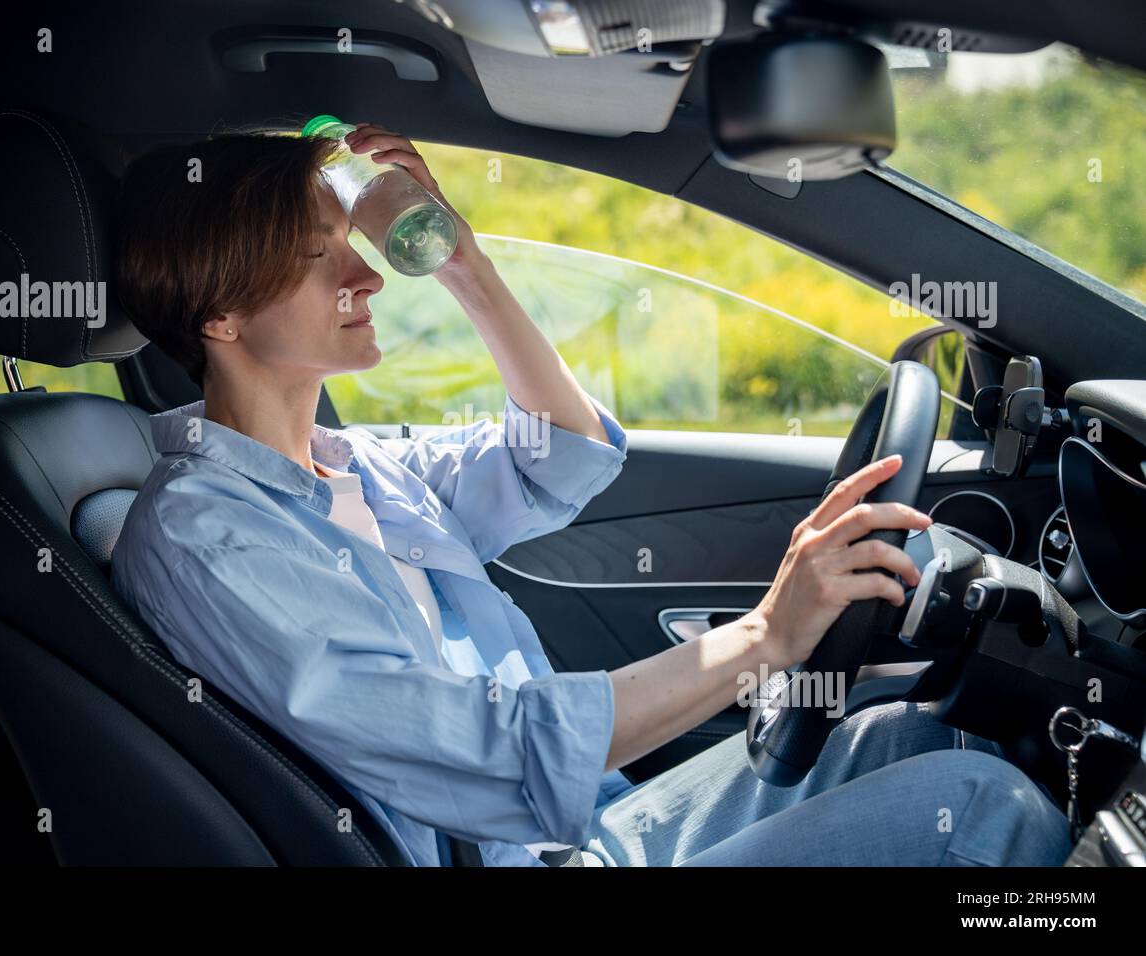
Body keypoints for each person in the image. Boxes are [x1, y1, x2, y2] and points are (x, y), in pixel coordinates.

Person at [109, 123, 1071, 867]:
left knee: (921, 733)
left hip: (584, 834)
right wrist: (765, 637)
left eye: (347, 237)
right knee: (987, 819)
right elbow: (487, 752)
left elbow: (557, 457)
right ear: (219, 311)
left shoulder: (354, 465)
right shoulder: (207, 533)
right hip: (520, 850)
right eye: (320, 256)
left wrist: (466, 268)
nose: (365, 269)